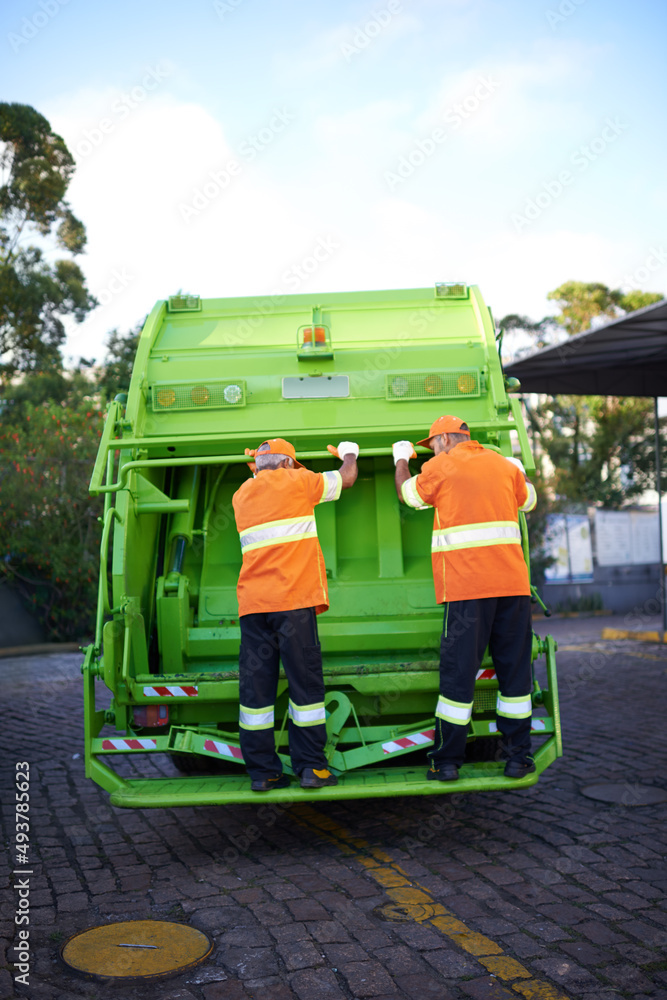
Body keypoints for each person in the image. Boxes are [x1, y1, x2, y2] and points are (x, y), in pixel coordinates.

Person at [393, 415, 537, 781]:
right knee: (515, 675)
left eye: (431, 444)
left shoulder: (441, 466)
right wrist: (517, 468)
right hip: (513, 589)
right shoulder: (502, 466)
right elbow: (529, 501)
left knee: (458, 678)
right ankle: (519, 758)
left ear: (444, 439)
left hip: (467, 591)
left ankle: (447, 762)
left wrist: (401, 460)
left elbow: (408, 495)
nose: (432, 450)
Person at [232, 437, 358, 791]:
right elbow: (346, 478)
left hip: (254, 607)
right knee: (305, 687)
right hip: (294, 606)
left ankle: (263, 773)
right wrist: (350, 452)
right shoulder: (298, 482)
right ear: (288, 464)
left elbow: (260, 476)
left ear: (257, 466)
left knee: (256, 693)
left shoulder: (241, 494)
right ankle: (311, 769)